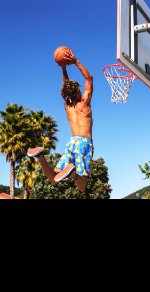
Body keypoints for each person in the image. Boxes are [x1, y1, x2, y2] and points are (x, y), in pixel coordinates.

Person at [27, 49, 94, 193]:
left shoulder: (67, 107)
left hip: (71, 142)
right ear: (76, 91)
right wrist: (75, 61)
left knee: (54, 179)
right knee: (82, 187)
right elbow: (89, 79)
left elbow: (67, 85)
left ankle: (40, 157)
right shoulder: (84, 104)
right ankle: (73, 174)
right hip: (84, 143)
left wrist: (63, 68)